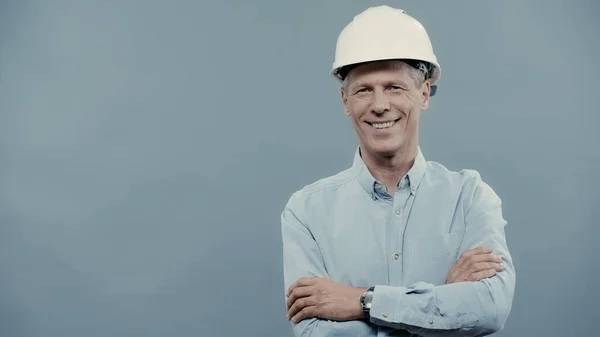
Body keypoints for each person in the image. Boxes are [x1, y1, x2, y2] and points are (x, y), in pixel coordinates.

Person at [280, 5, 516, 337]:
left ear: (423, 94)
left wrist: (361, 302)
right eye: (364, 89)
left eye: (394, 87)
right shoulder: (305, 212)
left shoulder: (470, 197)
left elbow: (490, 309)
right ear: (345, 101)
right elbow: (317, 333)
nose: (379, 105)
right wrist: (441, 304)